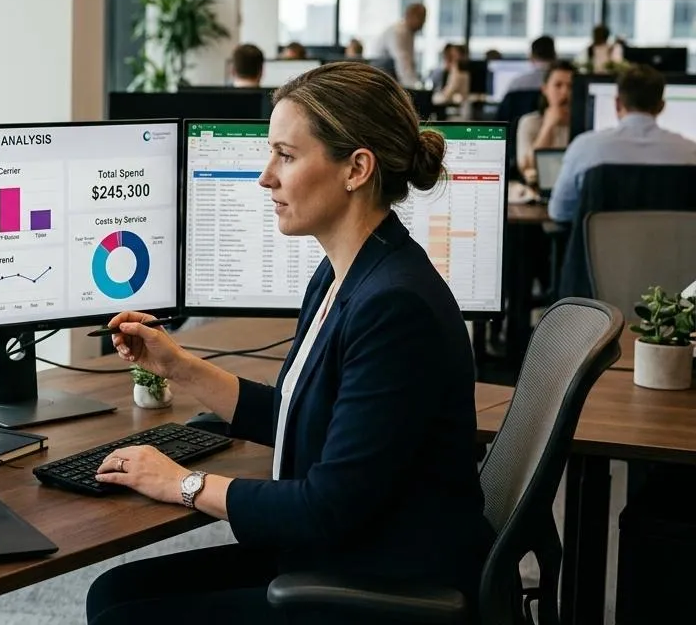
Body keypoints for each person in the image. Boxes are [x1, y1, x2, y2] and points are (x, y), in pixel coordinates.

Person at [84, 63, 491, 624]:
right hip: (340, 552)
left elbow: (325, 507)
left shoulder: (395, 307)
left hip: (380, 579)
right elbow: (293, 415)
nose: (265, 177)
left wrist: (180, 483)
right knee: (113, 593)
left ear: (356, 169)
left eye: (286, 156)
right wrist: (175, 364)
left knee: (123, 616)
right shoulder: (343, 272)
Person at [549, 64, 696, 222]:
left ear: (617, 103)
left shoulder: (584, 147)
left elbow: (559, 212)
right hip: (671, 238)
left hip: (603, 238)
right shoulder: (690, 153)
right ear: (661, 107)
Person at [516, 61, 576, 176]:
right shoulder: (530, 122)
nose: (565, 92)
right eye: (558, 85)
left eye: (570, 86)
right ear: (545, 89)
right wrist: (549, 126)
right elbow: (527, 166)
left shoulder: (585, 123)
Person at [373, 2, 426, 89]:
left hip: (394, 76)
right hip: (381, 76)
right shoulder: (399, 32)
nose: (423, 22)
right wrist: (414, 88)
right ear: (410, 15)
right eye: (421, 18)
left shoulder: (409, 33)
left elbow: (409, 64)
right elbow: (402, 61)